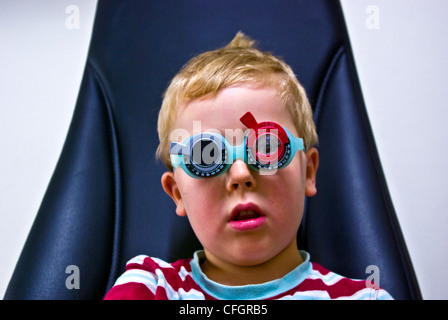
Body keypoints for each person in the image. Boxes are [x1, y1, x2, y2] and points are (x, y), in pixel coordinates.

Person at [104, 32, 393, 300]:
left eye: (267, 148)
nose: (241, 175)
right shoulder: (150, 287)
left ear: (308, 172)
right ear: (177, 192)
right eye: (206, 156)